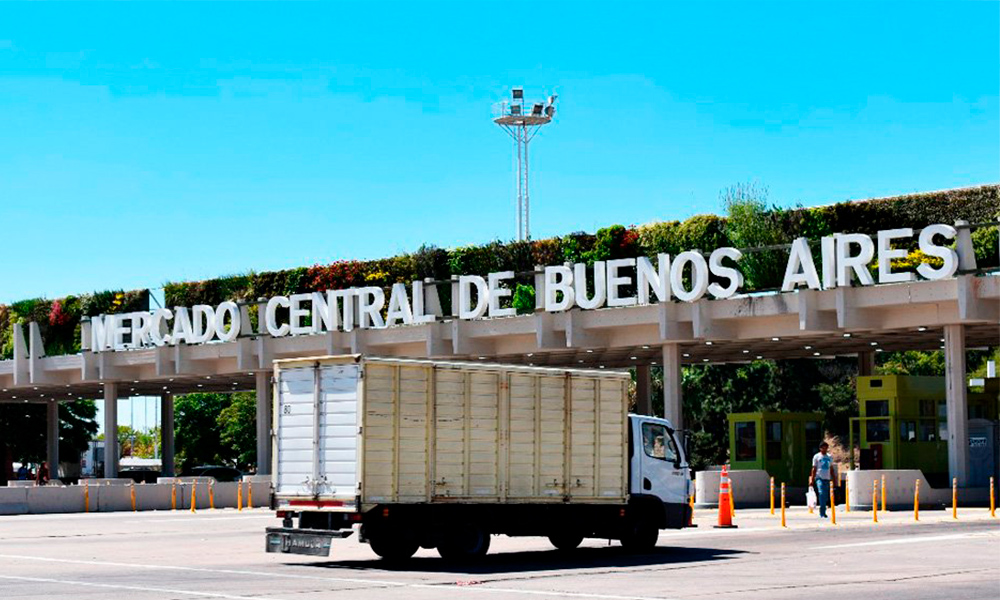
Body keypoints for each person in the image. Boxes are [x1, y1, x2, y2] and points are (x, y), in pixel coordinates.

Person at [809, 442, 836, 518]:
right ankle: (822, 512)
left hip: (827, 478)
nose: (824, 449)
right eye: (823, 448)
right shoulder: (817, 457)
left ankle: (823, 509)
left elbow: (831, 469)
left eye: (826, 448)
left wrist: (834, 479)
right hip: (819, 477)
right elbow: (814, 468)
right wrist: (812, 478)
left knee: (826, 496)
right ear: (820, 448)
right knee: (821, 493)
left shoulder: (829, 457)